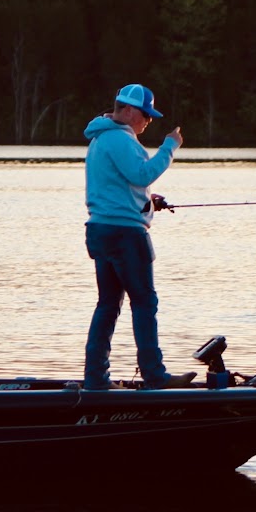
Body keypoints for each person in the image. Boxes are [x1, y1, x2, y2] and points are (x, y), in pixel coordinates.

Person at [82, 84, 193, 390]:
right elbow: (141, 174)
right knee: (144, 303)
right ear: (129, 111)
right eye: (146, 115)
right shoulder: (119, 138)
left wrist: (145, 198)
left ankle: (95, 378)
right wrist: (170, 146)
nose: (149, 122)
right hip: (125, 236)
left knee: (108, 305)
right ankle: (155, 376)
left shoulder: (102, 137)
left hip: (102, 231)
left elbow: (118, 184)